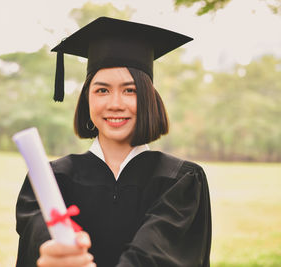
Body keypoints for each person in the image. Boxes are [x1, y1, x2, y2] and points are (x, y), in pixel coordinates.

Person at [16, 17, 212, 267]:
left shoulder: (181, 180)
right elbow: (38, 238)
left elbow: (157, 255)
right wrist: (54, 252)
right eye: (102, 90)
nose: (116, 104)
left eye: (130, 90)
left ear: (149, 99)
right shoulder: (50, 179)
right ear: (87, 100)